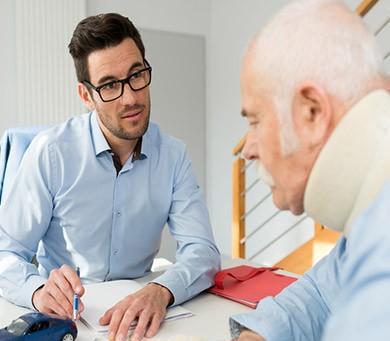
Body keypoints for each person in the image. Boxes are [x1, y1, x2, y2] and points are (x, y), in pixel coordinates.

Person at [0, 13, 220, 341]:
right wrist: (38, 290)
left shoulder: (173, 156)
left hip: (141, 320)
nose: (130, 97)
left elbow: (202, 250)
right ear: (86, 96)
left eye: (136, 76)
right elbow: (6, 253)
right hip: (67, 319)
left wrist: (160, 290)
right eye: (109, 86)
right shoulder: (50, 152)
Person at [229, 0, 390, 340]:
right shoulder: (370, 216)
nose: (249, 151)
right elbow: (321, 294)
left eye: (255, 122)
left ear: (313, 113)